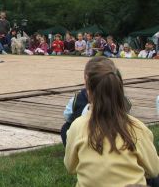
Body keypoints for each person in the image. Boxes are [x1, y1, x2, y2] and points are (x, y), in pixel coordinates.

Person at [64, 56, 159, 187]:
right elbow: (154, 170)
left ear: (88, 90)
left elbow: (70, 167)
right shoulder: (136, 127)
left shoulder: (77, 126)